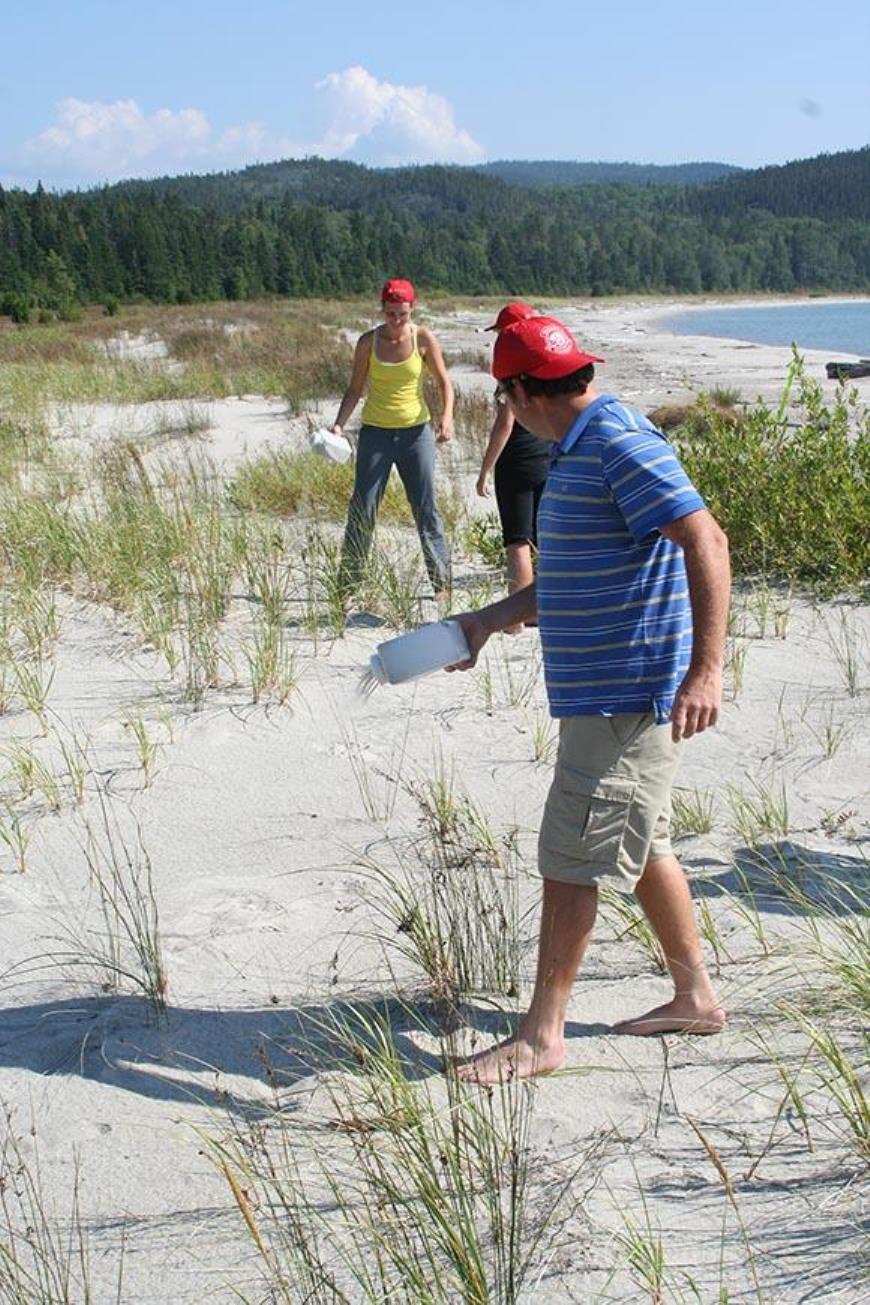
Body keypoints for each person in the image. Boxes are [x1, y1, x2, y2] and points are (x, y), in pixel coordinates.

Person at [450, 312, 731, 1084]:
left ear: (519, 394)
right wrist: (484, 621)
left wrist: (706, 670)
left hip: (626, 698)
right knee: (647, 848)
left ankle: (542, 1034)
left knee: (570, 856)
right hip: (602, 699)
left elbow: (707, 540)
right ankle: (695, 996)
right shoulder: (575, 449)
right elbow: (569, 581)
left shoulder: (616, 441)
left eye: (503, 400)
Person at [332, 278, 453, 600]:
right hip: (376, 434)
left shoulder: (423, 338)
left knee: (426, 507)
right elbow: (354, 389)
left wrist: (447, 416)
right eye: (390, 314)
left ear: (412, 309)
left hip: (416, 433)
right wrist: (338, 425)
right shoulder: (367, 343)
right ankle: (348, 583)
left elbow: (445, 383)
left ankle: (441, 584)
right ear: (382, 310)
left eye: (403, 314)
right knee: (363, 507)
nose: (397, 320)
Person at [475, 302, 552, 634]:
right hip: (545, 454)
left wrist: (485, 469)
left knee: (517, 540)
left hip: (518, 460)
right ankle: (538, 611)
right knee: (542, 537)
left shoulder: (512, 368)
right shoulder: (543, 364)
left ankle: (514, 620)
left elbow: (505, 424)